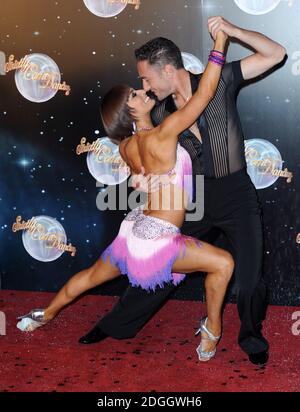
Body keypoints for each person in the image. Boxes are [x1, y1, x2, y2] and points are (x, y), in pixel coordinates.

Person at [80, 17, 286, 366]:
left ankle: (251, 336)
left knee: (250, 277)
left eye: (146, 77)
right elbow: (143, 155)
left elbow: (276, 53)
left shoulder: (219, 80)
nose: (143, 84)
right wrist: (139, 180)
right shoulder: (158, 112)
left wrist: (232, 32)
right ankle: (116, 323)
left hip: (237, 193)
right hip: (194, 199)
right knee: (162, 268)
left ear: (167, 70)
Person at [17, 29, 233, 361]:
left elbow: (140, 177)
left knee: (90, 276)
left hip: (132, 232)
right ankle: (212, 331)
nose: (143, 90)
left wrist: (141, 183)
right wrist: (219, 45)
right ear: (130, 112)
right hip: (158, 240)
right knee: (223, 263)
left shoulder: (126, 147)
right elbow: (204, 95)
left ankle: (44, 314)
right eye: (135, 94)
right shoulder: (163, 134)